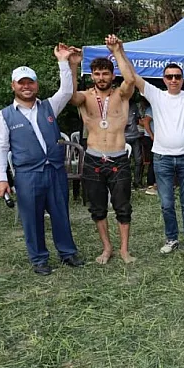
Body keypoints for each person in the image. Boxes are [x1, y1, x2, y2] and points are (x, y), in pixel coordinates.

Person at [0, 44, 84, 275]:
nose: (26, 86)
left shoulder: (50, 106)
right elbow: (0, 148)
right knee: (32, 218)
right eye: (21, 83)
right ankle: (39, 259)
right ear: (13, 86)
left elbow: (66, 90)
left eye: (30, 82)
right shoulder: (2, 117)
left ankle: (67, 253)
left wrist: (63, 61)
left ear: (36, 85)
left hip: (55, 170)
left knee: (60, 213)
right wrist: (0, 178)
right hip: (27, 174)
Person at [128, 50, 184, 258]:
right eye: (169, 76)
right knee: (166, 204)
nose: (173, 80)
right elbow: (133, 76)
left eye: (177, 76)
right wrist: (119, 52)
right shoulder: (157, 95)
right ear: (164, 79)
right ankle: (171, 239)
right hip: (162, 158)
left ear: (183, 79)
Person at [70, 35, 137, 264]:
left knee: (122, 206)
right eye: (97, 74)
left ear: (112, 75)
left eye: (105, 73)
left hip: (118, 157)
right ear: (92, 76)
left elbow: (131, 79)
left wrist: (117, 50)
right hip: (94, 158)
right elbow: (70, 96)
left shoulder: (121, 94)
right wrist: (72, 65)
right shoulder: (85, 97)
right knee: (98, 207)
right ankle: (107, 248)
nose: (101, 78)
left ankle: (124, 250)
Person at [125, 96, 144, 190]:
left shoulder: (134, 106)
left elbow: (137, 120)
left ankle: (137, 182)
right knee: (126, 161)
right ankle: (126, 182)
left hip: (135, 136)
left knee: (138, 160)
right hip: (124, 137)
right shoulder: (119, 105)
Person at [140, 100, 157, 195]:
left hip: (156, 138)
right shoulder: (151, 109)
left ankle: (155, 183)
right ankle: (151, 184)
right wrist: (151, 135)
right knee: (153, 161)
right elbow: (146, 122)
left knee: (156, 160)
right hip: (150, 138)